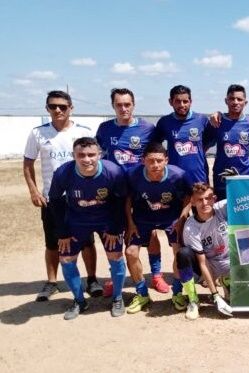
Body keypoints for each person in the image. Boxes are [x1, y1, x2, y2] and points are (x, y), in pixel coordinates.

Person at [23, 90, 100, 302]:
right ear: (47, 108)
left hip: (82, 198)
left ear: (71, 108)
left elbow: (94, 162)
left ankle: (92, 280)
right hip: (52, 199)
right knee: (53, 242)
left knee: (86, 241)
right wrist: (34, 191)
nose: (58, 110)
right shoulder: (38, 133)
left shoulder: (84, 131)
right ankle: (51, 282)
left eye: (63, 106)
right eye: (52, 106)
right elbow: (28, 163)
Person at [96, 88, 168, 295]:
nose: (123, 108)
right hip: (115, 191)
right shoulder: (104, 128)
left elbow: (158, 153)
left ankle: (156, 275)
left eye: (127, 104)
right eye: (119, 104)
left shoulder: (147, 128)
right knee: (115, 234)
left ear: (133, 105)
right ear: (113, 106)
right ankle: (115, 274)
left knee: (151, 232)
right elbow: (98, 154)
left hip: (142, 189)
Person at [48, 137, 127, 319]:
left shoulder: (113, 171)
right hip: (77, 220)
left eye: (91, 154)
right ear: (73, 155)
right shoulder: (63, 172)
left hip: (106, 220)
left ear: (99, 154)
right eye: (81, 155)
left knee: (115, 256)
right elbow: (56, 201)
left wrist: (116, 228)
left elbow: (120, 201)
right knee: (66, 259)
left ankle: (117, 297)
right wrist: (62, 231)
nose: (87, 159)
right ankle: (79, 300)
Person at [124, 142, 191, 314]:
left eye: (159, 161)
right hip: (142, 218)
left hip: (171, 218)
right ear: (143, 161)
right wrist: (130, 223)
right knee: (130, 252)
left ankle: (177, 293)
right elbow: (127, 199)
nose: (155, 165)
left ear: (166, 160)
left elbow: (189, 197)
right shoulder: (133, 175)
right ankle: (142, 293)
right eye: (151, 161)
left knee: (179, 252)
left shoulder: (179, 175)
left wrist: (182, 219)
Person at [176, 182, 233, 320]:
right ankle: (193, 300)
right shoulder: (191, 227)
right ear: (193, 202)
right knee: (183, 254)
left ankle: (227, 281)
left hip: (231, 261)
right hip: (209, 265)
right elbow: (202, 263)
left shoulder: (222, 208)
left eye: (208, 198)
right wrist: (215, 295)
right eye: (200, 200)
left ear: (214, 198)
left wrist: (236, 181)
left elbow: (247, 196)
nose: (205, 203)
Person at [154, 85, 215, 184]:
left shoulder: (202, 120)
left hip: (199, 177)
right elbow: (156, 145)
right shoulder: (164, 122)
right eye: (177, 101)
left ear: (190, 102)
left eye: (185, 101)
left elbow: (210, 141)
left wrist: (200, 150)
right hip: (173, 178)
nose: (182, 105)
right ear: (171, 102)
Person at [211, 84, 249, 200]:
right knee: (222, 213)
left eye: (239, 99)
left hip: (245, 177)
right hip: (222, 177)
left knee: (245, 213)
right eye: (232, 99)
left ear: (245, 102)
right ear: (226, 101)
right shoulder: (217, 122)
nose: (235, 102)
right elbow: (204, 147)